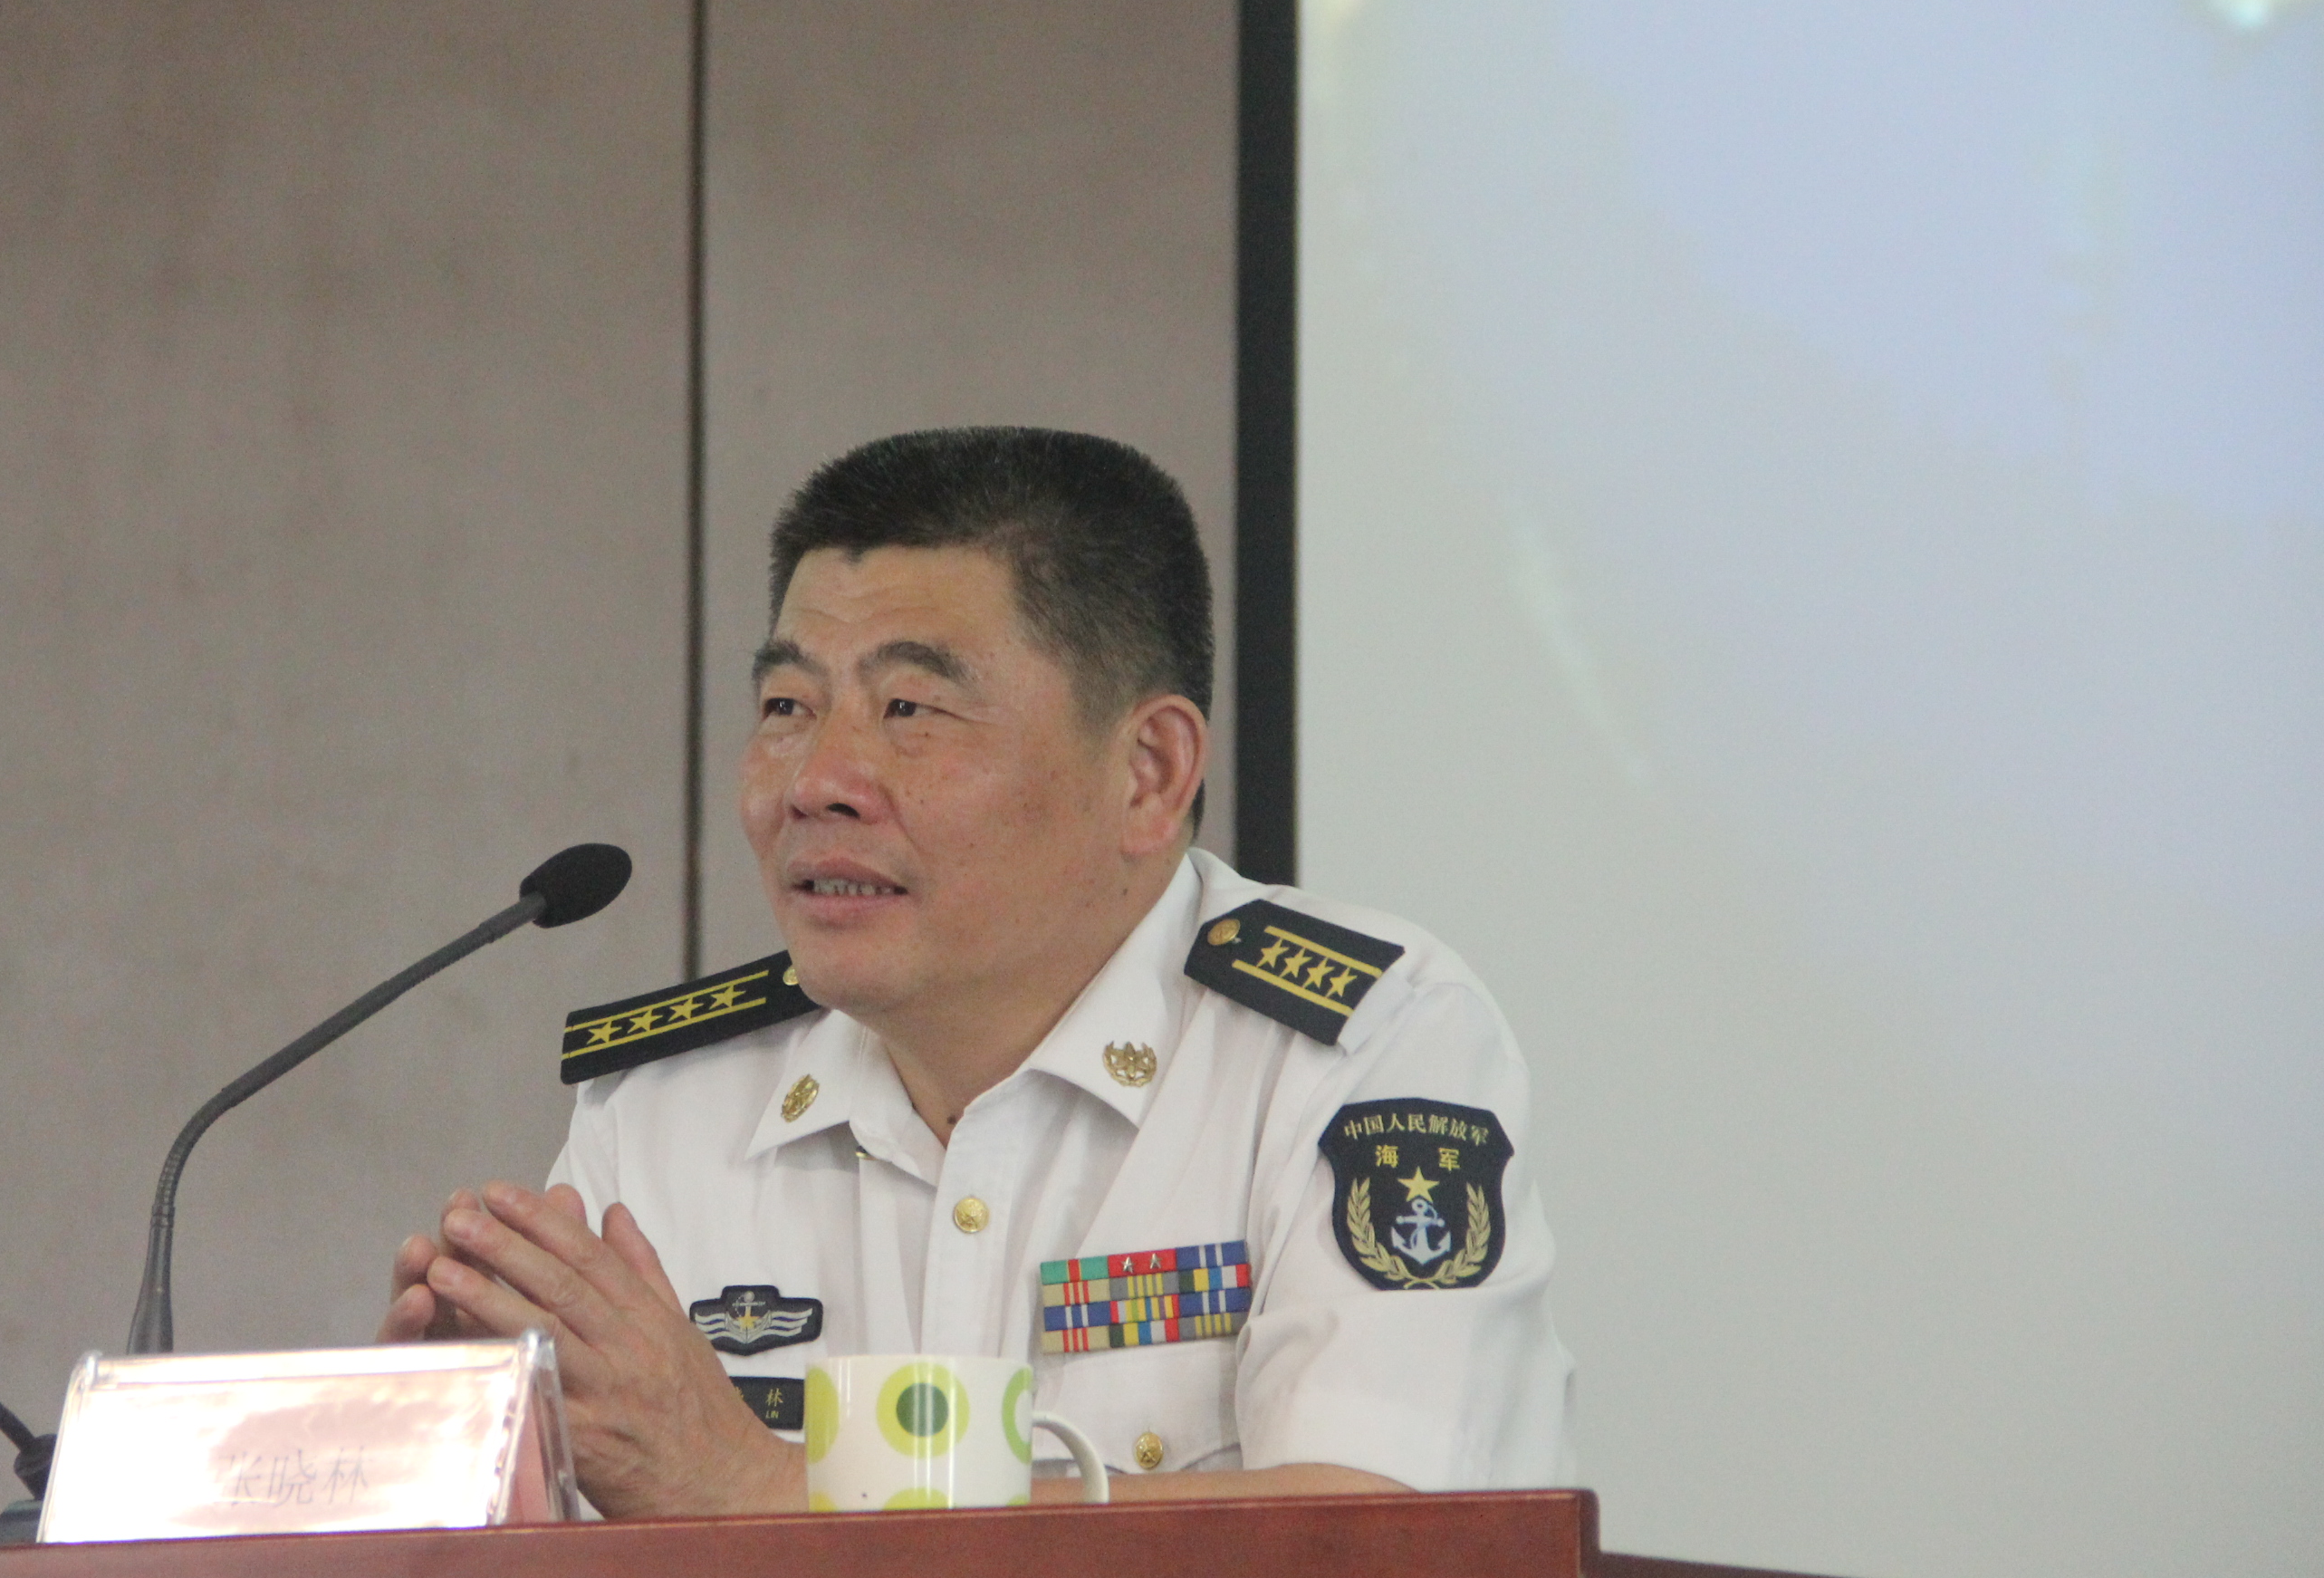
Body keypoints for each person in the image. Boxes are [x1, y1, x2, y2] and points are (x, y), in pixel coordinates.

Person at [378, 428, 1572, 1516]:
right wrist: (461, 1481)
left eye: (910, 708)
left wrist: (755, 1488)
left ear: (1150, 772)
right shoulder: (664, 1112)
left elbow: (1380, 1535)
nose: (817, 781)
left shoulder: (1361, 1050)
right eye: (788, 705)